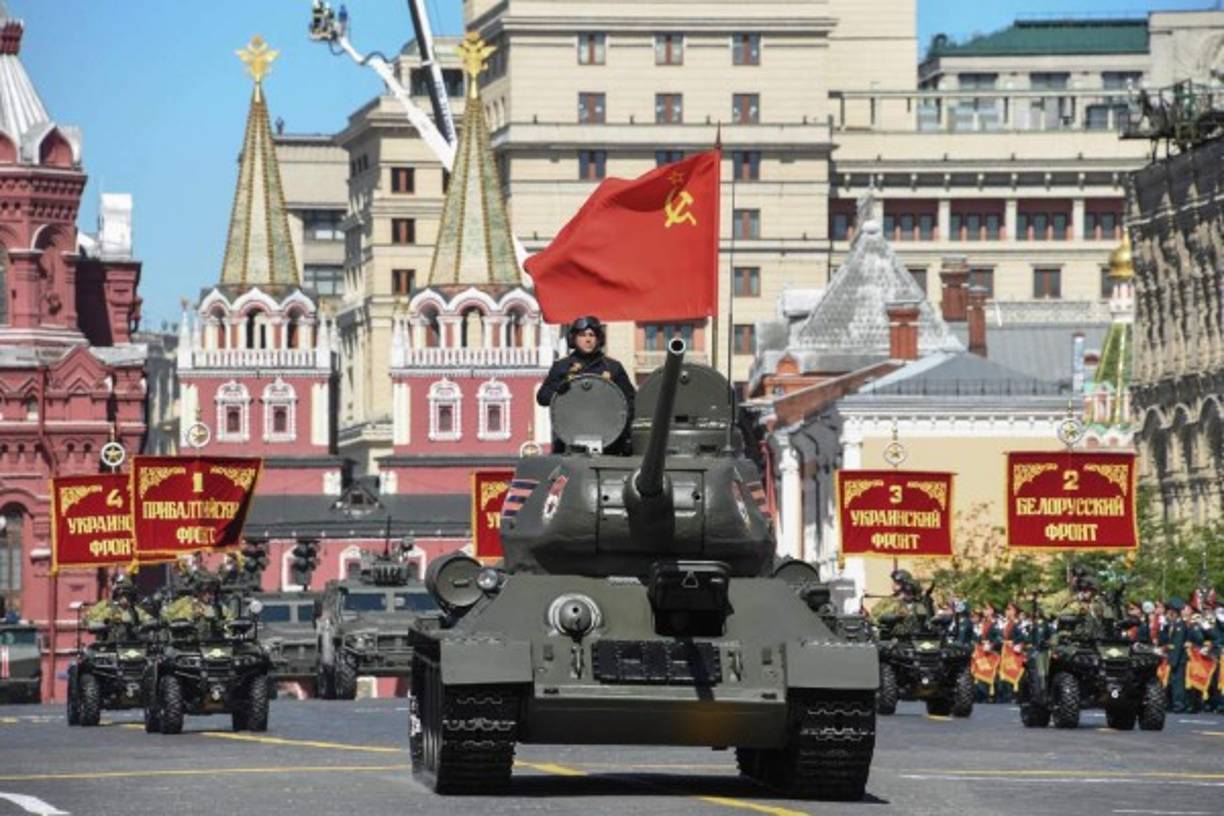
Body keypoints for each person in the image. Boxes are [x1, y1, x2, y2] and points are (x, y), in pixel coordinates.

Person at [537, 316, 636, 453]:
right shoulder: (562, 366)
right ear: (574, 338)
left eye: (592, 335)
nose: (588, 339)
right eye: (582, 335)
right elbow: (542, 397)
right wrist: (558, 389)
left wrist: (624, 435)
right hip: (569, 440)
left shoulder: (613, 367)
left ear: (599, 339)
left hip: (608, 441)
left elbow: (630, 401)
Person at [161, 573, 233, 636]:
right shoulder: (187, 603)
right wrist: (193, 615)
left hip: (213, 645)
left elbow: (230, 625)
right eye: (206, 591)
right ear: (199, 591)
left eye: (213, 591)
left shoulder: (220, 608)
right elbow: (167, 616)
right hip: (187, 644)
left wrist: (225, 627)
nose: (210, 595)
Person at [84, 575, 151, 637]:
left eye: (128, 594)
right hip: (108, 646)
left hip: (134, 645)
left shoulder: (136, 610)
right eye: (121, 594)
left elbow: (149, 620)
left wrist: (145, 624)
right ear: (116, 594)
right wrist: (105, 623)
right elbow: (89, 622)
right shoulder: (105, 606)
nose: (124, 597)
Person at [1163, 597, 1189, 713]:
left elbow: (1178, 645)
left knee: (1178, 683)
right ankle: (1171, 703)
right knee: (1171, 681)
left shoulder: (1180, 626)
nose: (1168, 612)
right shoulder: (1173, 624)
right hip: (1173, 657)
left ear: (1174, 612)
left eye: (1170, 610)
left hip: (1178, 659)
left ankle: (1179, 704)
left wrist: (1173, 661)